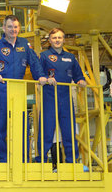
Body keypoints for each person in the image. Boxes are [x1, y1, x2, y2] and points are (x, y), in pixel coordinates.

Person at [0, 15, 47, 162]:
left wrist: (41, 76)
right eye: (10, 27)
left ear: (19, 28)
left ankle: (23, 159)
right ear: (4, 28)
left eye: (16, 27)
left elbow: (34, 62)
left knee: (22, 126)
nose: (13, 30)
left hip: (18, 91)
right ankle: (2, 160)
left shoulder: (24, 44)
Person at [35, 28, 86, 164]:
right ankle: (41, 161)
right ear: (50, 41)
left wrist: (81, 81)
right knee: (46, 130)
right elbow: (38, 73)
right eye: (54, 38)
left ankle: (72, 161)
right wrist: (45, 78)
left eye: (59, 38)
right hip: (49, 97)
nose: (57, 40)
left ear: (63, 40)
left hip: (65, 98)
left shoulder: (70, 58)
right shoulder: (44, 56)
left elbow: (78, 75)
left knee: (69, 131)